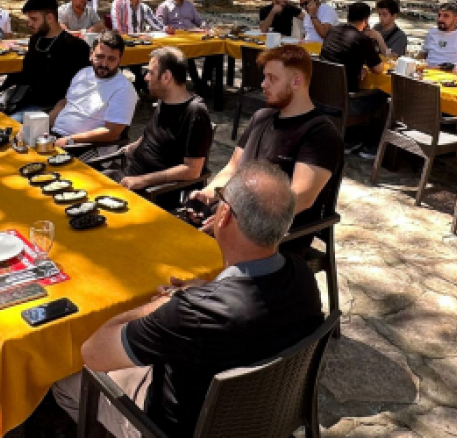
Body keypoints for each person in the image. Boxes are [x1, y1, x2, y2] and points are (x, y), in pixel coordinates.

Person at [52, 161, 324, 438]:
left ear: (225, 215)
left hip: (169, 429)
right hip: (263, 416)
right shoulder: (303, 276)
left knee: (66, 380)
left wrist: (167, 302)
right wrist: (204, 289)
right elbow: (250, 309)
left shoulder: (192, 312)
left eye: (220, 200)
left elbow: (93, 353)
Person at [192, 45, 344, 253]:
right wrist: (209, 193)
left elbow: (300, 198)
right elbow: (232, 168)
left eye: (272, 78)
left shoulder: (320, 133)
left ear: (296, 81)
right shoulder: (261, 117)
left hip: (276, 238)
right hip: (235, 218)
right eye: (264, 77)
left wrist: (237, 222)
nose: (263, 84)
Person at [112, 48, 213, 204]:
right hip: (129, 177)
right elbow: (155, 136)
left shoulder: (195, 113)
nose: (145, 78)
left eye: (150, 73)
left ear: (166, 77)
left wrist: (143, 180)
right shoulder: (164, 100)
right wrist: (133, 146)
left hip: (154, 192)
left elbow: (192, 170)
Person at [0, 0, 92, 120]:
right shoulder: (35, 40)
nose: (29, 23)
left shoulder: (75, 46)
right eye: (29, 19)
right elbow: (26, 75)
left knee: (4, 122)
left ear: (50, 17)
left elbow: (78, 88)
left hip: (50, 107)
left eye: (34, 19)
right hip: (22, 100)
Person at [51, 31, 139, 149]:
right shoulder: (83, 73)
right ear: (91, 54)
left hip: (86, 147)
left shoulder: (123, 89)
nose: (104, 64)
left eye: (111, 59)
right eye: (100, 57)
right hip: (56, 136)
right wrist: (36, 126)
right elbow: (64, 104)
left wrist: (70, 140)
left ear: (120, 60)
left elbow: (111, 132)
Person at [320, 2, 387, 158]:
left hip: (321, 97)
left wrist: (359, 66)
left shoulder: (333, 32)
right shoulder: (361, 39)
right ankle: (370, 145)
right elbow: (378, 69)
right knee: (383, 96)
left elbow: (340, 57)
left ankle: (352, 137)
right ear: (366, 20)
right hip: (345, 103)